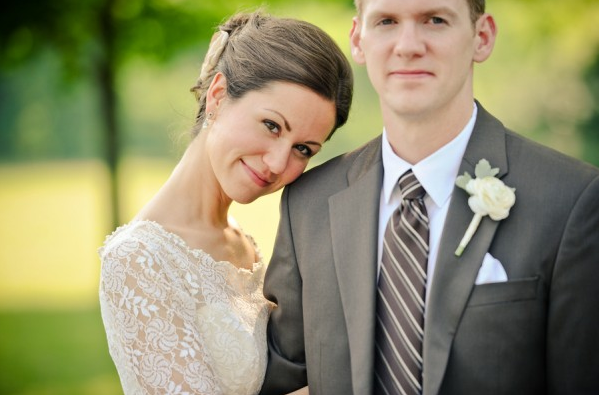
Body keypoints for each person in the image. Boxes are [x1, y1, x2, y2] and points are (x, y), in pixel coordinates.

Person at [260, 0, 599, 393]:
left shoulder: (571, 199)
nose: (408, 45)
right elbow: (280, 379)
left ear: (482, 37)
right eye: (387, 21)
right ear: (358, 39)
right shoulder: (308, 204)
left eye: (435, 20)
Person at [98, 10, 352, 395]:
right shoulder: (136, 260)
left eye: (303, 149)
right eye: (271, 125)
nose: (277, 164)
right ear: (217, 96)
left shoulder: (245, 246)